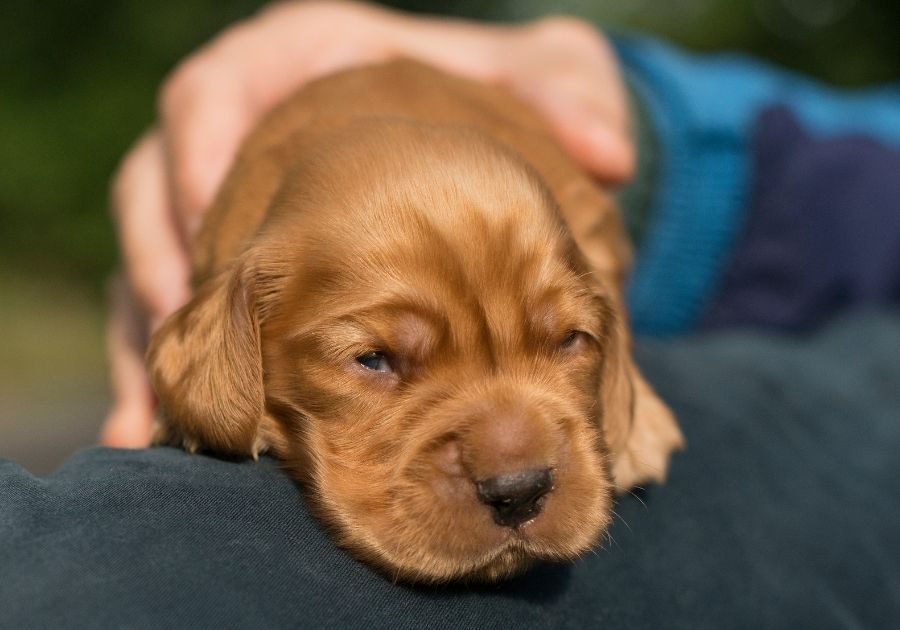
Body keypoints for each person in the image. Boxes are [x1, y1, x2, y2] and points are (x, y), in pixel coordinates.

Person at [4, 3, 899, 626]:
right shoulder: (244, 277)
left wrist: (616, 371)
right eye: (380, 361)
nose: (513, 467)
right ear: (233, 336)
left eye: (566, 338)